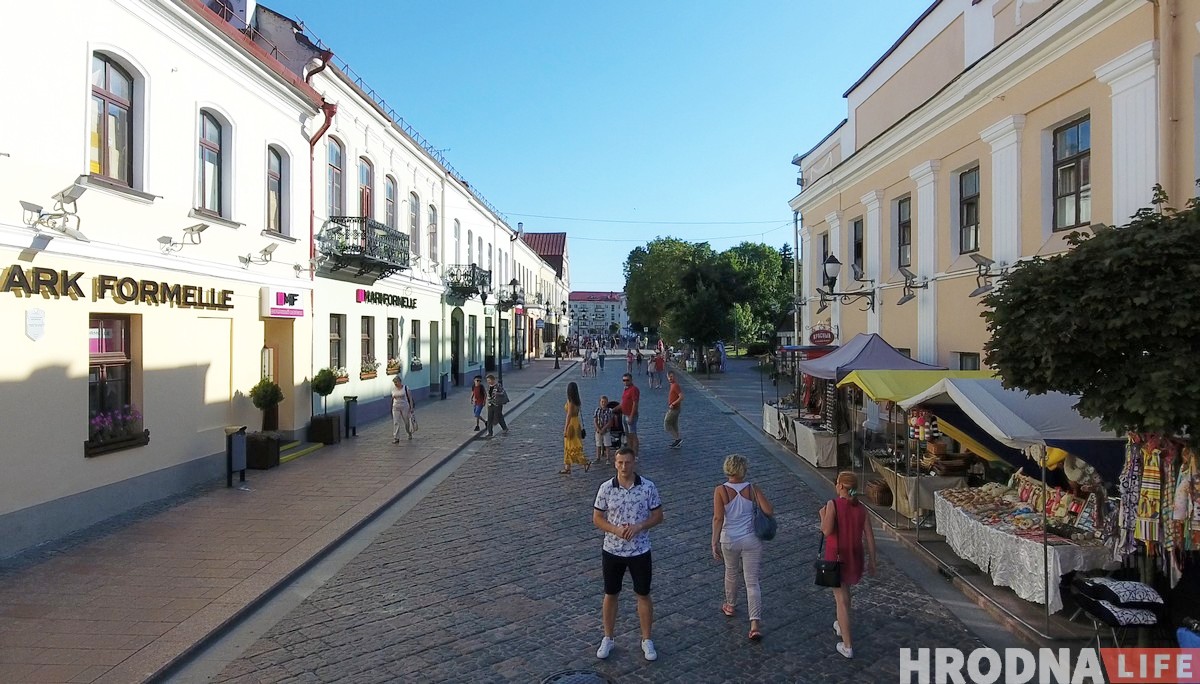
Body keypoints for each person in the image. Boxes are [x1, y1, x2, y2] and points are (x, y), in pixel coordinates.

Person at [593, 446, 664, 662]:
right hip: (612, 550)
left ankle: (646, 639)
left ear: (634, 462)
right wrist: (614, 530)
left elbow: (658, 515)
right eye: (620, 462)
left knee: (643, 593)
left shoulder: (648, 487)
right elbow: (597, 518)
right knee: (610, 593)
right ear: (615, 463)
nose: (624, 466)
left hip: (640, 550)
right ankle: (608, 637)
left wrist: (639, 526)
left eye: (628, 462)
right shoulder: (606, 488)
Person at [711, 454, 773, 641]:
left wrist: (714, 541)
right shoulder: (753, 488)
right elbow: (769, 511)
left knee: (731, 572)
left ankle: (730, 605)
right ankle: (754, 625)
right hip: (751, 539)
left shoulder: (721, 490)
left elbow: (718, 518)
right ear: (743, 469)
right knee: (752, 582)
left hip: (729, 539)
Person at [818, 471, 878, 659]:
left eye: (837, 482)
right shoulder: (862, 509)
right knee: (846, 593)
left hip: (836, 556)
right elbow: (869, 536)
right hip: (855, 555)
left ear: (842, 486)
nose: (835, 485)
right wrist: (873, 560)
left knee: (841, 600)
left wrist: (822, 515)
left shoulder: (833, 504)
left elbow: (826, 531)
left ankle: (847, 645)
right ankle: (840, 624)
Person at [562, 382, 589, 474]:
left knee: (571, 445)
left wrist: (565, 428)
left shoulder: (571, 402)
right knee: (570, 445)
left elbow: (569, 415)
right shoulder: (577, 401)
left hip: (571, 424)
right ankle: (567, 467)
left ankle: (585, 462)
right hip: (576, 423)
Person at [620, 373, 641, 456]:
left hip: (630, 415)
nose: (625, 382)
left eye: (627, 380)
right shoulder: (625, 389)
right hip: (624, 414)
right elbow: (622, 402)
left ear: (631, 380)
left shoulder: (634, 389)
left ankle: (635, 454)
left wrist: (631, 416)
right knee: (627, 435)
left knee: (633, 435)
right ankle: (629, 452)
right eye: (624, 380)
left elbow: (635, 403)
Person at [391, 375, 415, 443]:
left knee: (406, 422)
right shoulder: (393, 389)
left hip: (405, 406)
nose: (395, 384)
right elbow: (392, 398)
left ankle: (409, 433)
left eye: (396, 382)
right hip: (396, 407)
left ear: (400, 381)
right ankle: (396, 437)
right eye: (394, 382)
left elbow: (410, 398)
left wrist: (411, 407)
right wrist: (391, 407)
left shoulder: (405, 388)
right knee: (396, 422)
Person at [665, 370, 683, 448]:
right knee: (674, 425)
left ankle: (677, 439)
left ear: (674, 376)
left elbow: (681, 397)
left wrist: (673, 403)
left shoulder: (675, 385)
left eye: (671, 376)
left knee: (667, 423)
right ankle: (677, 442)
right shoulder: (672, 385)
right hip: (675, 408)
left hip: (674, 409)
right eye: (669, 377)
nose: (670, 378)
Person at [593, 395, 613, 466]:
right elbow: (595, 420)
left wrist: (604, 429)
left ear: (607, 402)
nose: (603, 403)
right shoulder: (597, 410)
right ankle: (598, 458)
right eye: (602, 402)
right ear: (600, 402)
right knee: (598, 444)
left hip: (606, 430)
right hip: (598, 430)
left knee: (607, 445)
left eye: (605, 402)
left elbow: (610, 421)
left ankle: (608, 459)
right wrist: (598, 429)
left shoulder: (609, 411)